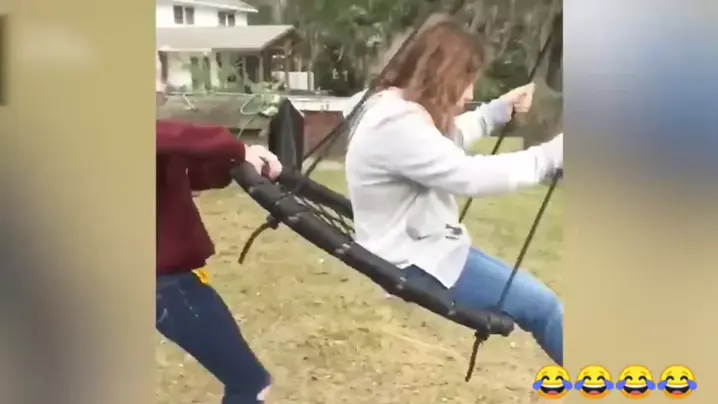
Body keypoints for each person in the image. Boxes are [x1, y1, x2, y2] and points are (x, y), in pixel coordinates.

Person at [343, 19, 564, 365]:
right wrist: (552, 154)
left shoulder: (389, 107)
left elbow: (440, 141)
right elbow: (470, 175)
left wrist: (496, 112)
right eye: (466, 80)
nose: (470, 94)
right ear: (440, 74)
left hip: (423, 251)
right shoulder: (396, 123)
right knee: (545, 308)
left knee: (543, 305)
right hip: (418, 262)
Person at [155, 53, 282, 403]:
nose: (162, 87)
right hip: (166, 285)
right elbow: (168, 137)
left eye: (160, 76)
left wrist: (239, 163)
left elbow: (188, 174)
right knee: (250, 383)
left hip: (169, 282)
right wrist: (234, 146)